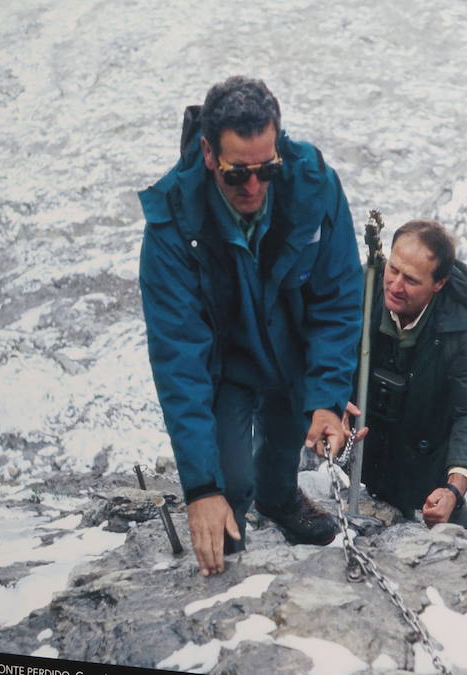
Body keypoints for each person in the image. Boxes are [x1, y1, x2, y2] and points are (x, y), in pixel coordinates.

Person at [138, 76, 363, 576]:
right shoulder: (173, 223)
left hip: (292, 354)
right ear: (209, 153)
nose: (254, 188)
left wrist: (326, 398)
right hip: (227, 361)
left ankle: (279, 501)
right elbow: (179, 358)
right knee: (230, 480)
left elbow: (337, 298)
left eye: (267, 169)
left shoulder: (313, 185)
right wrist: (201, 489)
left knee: (282, 454)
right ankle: (228, 545)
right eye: (238, 174)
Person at [359, 219, 467, 530]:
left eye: (411, 280)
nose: (394, 286)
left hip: (427, 467)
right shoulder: (361, 290)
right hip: (360, 455)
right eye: (392, 270)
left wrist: (453, 489)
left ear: (439, 283)